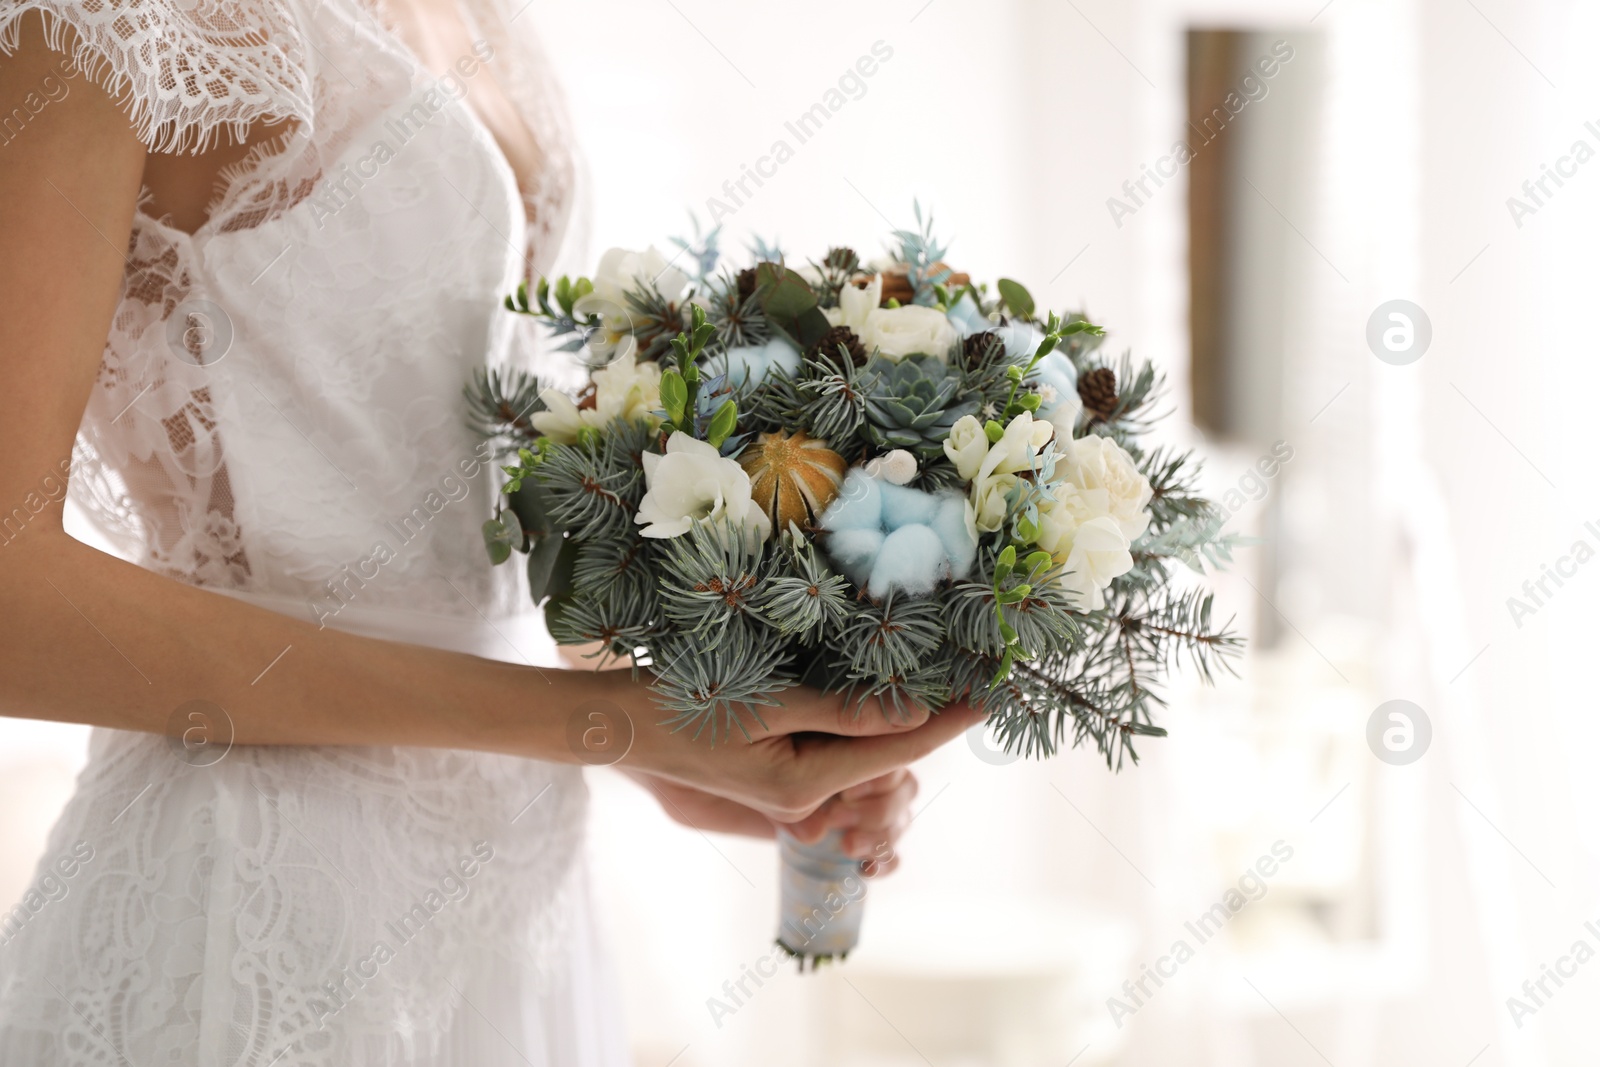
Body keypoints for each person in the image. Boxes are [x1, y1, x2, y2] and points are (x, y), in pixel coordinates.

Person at [0, 2, 979, 1063]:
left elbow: (467, 502)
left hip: (519, 876)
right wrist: (598, 717)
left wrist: (689, 742)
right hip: (257, 889)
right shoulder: (106, 22)